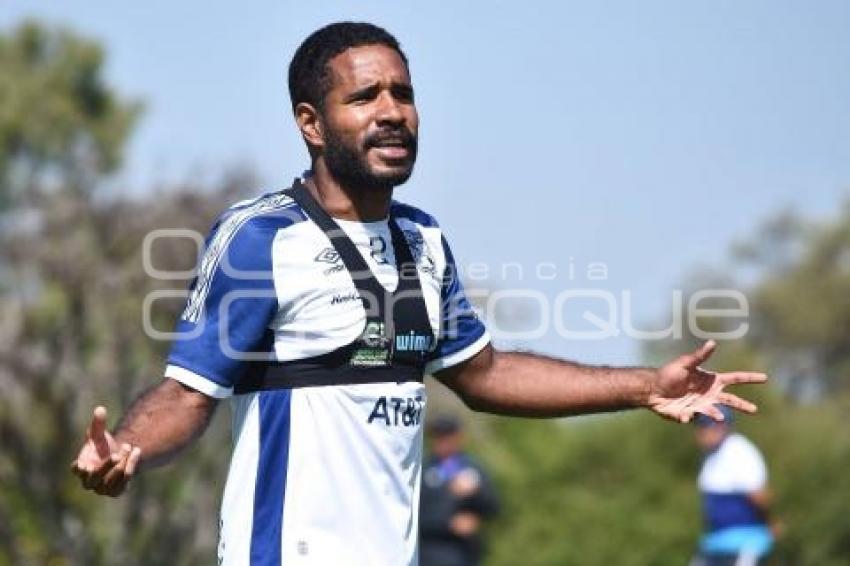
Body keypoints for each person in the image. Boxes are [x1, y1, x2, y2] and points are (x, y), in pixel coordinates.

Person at [71, 22, 768, 565]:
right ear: (311, 123)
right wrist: (125, 447)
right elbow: (189, 392)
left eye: (402, 93)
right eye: (365, 97)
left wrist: (646, 384)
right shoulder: (262, 238)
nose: (392, 112)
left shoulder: (423, 240)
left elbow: (485, 374)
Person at [691, 406, 775, 566]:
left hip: (744, 542)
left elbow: (759, 496)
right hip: (716, 542)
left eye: (704, 426)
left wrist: (770, 523)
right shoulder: (710, 455)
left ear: (722, 426)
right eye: (699, 426)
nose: (700, 432)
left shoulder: (739, 451)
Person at [420, 416, 499, 566]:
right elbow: (414, 514)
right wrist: (448, 524)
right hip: (429, 552)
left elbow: (494, 507)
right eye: (437, 436)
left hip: (464, 554)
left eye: (446, 435)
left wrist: (476, 492)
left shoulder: (472, 468)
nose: (442, 441)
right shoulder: (423, 469)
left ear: (458, 437)